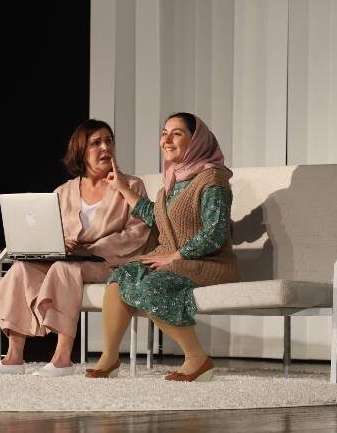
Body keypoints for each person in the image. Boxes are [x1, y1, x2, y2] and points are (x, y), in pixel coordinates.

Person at [0, 119, 151, 376]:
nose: (105, 148)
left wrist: (90, 248)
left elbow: (137, 233)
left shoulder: (131, 186)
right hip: (69, 258)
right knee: (21, 269)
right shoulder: (63, 191)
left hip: (110, 263)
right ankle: (14, 357)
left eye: (109, 141)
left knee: (64, 269)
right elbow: (52, 231)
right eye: (96, 143)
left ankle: (62, 358)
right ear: (81, 151)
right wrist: (61, 244)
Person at [86, 112, 238, 381]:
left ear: (196, 140)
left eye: (176, 134)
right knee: (120, 278)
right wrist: (123, 188)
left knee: (150, 287)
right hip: (173, 259)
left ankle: (197, 358)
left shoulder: (212, 179)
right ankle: (109, 357)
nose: (166, 140)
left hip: (208, 263)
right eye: (164, 133)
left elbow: (215, 233)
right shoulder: (173, 179)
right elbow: (159, 218)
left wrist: (176, 255)